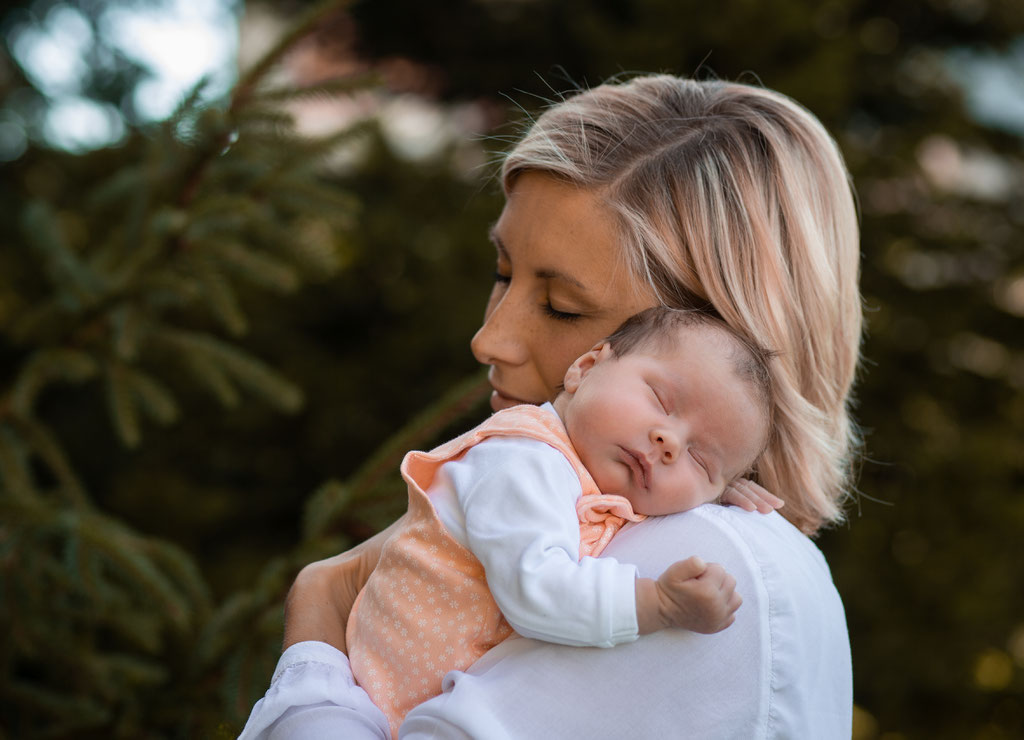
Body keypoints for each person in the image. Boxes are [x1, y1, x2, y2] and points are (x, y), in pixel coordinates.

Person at [240, 73, 861, 739]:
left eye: (562, 306)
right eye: (503, 273)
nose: (490, 339)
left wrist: (316, 637)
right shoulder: (595, 515)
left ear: (719, 343)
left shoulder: (691, 569)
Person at [328, 307, 781, 737]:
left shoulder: (597, 482)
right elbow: (536, 589)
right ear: (585, 367)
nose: (669, 442)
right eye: (661, 400)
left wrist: (719, 499)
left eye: (701, 460)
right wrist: (658, 603)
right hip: (364, 704)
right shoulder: (524, 459)